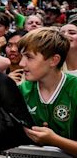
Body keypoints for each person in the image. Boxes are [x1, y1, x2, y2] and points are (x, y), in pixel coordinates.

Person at [18, 27, 77, 156]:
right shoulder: (22, 90)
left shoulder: (74, 89)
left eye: (29, 57)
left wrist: (55, 140)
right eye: (22, 56)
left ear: (54, 60)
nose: (21, 63)